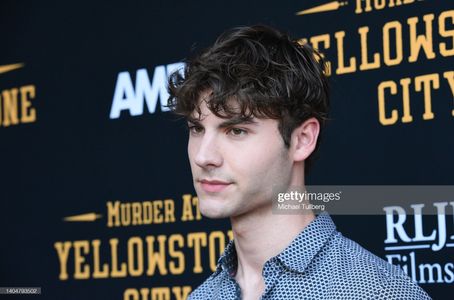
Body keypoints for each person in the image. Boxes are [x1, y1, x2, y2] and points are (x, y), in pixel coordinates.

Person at [168, 24, 431, 300]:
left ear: (303, 139)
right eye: (196, 129)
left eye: (236, 131)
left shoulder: (377, 292)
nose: (203, 156)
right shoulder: (202, 297)